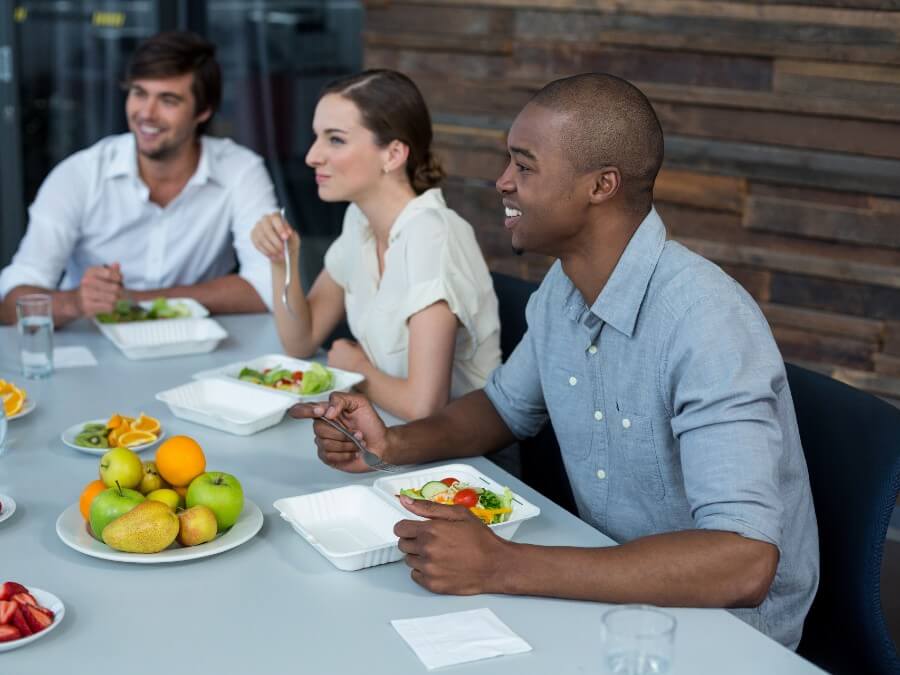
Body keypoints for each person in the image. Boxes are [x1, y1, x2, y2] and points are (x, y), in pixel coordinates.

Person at [293, 73, 820, 650]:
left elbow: (741, 563)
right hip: (605, 584)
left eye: (524, 166)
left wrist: (503, 566)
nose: (502, 182)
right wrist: (390, 445)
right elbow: (502, 407)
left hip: (723, 637)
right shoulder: (562, 292)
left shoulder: (706, 322)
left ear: (601, 186)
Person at [251, 70, 501, 421]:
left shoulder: (432, 236)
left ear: (393, 154)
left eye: (335, 139)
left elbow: (424, 407)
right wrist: (283, 260)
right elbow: (301, 340)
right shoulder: (359, 220)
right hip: (389, 431)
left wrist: (356, 368)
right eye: (316, 137)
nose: (311, 156)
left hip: (466, 459)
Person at [0, 31, 277, 326]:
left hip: (197, 351)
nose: (146, 113)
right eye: (139, 93)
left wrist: (136, 300)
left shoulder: (240, 170)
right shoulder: (80, 174)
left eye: (168, 100)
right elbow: (10, 303)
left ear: (203, 111)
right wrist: (76, 302)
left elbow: (268, 287)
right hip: (93, 351)